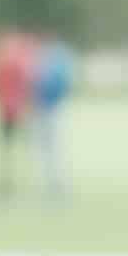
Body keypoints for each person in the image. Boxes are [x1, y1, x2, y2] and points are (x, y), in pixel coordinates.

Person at [0, 30, 38, 195]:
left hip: (9, 110)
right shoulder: (21, 64)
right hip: (14, 110)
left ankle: (9, 181)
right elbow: (29, 85)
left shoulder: (1, 64)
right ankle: (14, 180)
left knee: (8, 149)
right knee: (15, 148)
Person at [33, 33, 76, 198]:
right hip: (48, 109)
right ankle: (53, 182)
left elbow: (52, 85)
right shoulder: (56, 58)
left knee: (52, 149)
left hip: (50, 109)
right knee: (50, 149)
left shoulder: (53, 60)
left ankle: (56, 183)